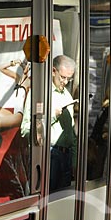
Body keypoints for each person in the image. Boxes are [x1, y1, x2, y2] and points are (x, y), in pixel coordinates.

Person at [49, 55, 77, 192]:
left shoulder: (67, 95)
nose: (65, 82)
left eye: (69, 78)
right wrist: (53, 116)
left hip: (66, 155)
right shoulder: (43, 93)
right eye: (63, 77)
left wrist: (74, 159)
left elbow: (71, 131)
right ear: (53, 71)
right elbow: (27, 128)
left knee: (62, 201)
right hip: (51, 153)